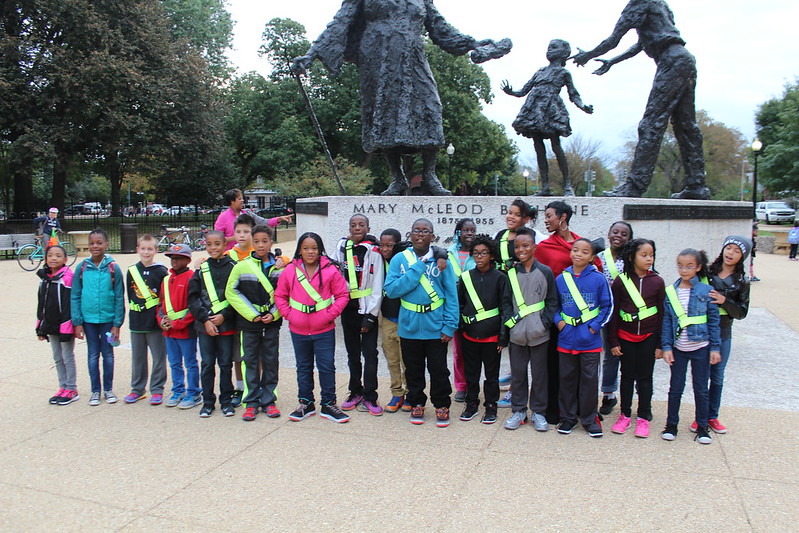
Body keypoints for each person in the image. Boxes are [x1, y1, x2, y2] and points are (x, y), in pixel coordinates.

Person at [291, 0, 510, 196]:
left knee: (430, 106)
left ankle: (430, 175)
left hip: (412, 54)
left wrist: (474, 44)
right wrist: (311, 55)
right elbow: (340, 22)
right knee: (386, 112)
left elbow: (440, 28)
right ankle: (396, 177)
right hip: (378, 56)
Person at [573, 0, 709, 200]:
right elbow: (642, 43)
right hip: (683, 59)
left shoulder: (640, 3)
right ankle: (697, 185)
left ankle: (635, 185)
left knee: (651, 124)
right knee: (685, 125)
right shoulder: (658, 5)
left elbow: (613, 39)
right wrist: (612, 61)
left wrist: (588, 55)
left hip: (672, 61)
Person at [384, 219, 458, 427]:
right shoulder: (400, 259)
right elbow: (392, 290)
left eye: (425, 231)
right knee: (413, 369)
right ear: (410, 234)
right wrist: (417, 268)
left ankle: (442, 405)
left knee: (439, 370)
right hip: (409, 326)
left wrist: (450, 325)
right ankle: (416, 402)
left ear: (432, 236)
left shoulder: (442, 260)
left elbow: (451, 294)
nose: (420, 234)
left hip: (436, 326)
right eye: (416, 230)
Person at [502, 39, 594, 196]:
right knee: (538, 148)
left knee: (556, 147)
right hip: (534, 109)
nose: (549, 50)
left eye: (554, 47)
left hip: (551, 110)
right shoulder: (540, 71)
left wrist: (583, 106)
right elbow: (524, 90)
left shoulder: (563, 73)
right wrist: (511, 92)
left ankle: (567, 185)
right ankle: (545, 186)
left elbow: (573, 94)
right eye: (548, 47)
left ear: (564, 53)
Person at [275, 232, 351, 423]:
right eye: (306, 248)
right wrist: (290, 315)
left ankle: (328, 404)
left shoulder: (330, 270)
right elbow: (280, 296)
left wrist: (329, 315)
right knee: (303, 367)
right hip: (298, 329)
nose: (310, 252)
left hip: (324, 329)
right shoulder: (290, 271)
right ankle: (306, 403)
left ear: (320, 250)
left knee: (326, 367)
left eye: (314, 248)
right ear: (300, 250)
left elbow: (342, 295)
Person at [535, 201, 597, 423]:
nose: (545, 219)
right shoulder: (543, 247)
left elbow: (594, 272)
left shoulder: (582, 245)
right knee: (555, 364)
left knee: (581, 367)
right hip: (555, 316)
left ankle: (583, 410)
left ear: (563, 218)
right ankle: (556, 410)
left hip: (582, 318)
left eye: (549, 215)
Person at [660, 249, 721, 445]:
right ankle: (671, 425)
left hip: (701, 347)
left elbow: (713, 321)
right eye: (680, 266)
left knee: (701, 388)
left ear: (698, 267)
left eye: (689, 266)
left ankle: (702, 427)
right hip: (678, 348)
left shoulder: (706, 290)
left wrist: (715, 348)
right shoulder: (672, 291)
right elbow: (667, 321)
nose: (684, 270)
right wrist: (666, 346)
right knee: (675, 388)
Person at [225, 225, 285, 421]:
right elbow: (231, 292)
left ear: (271, 243)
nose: (260, 245)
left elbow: (285, 294)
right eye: (257, 241)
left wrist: (274, 314)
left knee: (270, 361)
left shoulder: (279, 268)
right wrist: (252, 314)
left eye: (264, 241)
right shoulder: (241, 266)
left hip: (271, 324)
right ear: (252, 242)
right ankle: (251, 402)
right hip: (248, 324)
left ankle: (268, 400)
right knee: (249, 361)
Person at [555, 238, 613, 437]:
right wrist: (559, 323)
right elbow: (554, 306)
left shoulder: (598, 279)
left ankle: (589, 419)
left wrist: (594, 328)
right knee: (567, 380)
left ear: (592, 257)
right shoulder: (561, 279)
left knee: (589, 380)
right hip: (566, 339)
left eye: (584, 251)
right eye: (575, 250)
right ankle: (568, 418)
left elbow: (607, 306)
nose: (578, 254)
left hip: (589, 341)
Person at [607, 239, 665, 438]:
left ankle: (643, 415)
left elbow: (662, 314)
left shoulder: (657, 281)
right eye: (644, 255)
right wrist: (613, 341)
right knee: (627, 376)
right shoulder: (621, 281)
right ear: (632, 257)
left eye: (651, 255)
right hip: (625, 337)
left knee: (645, 377)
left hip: (649, 337)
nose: (649, 259)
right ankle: (624, 414)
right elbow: (613, 313)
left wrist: (660, 344)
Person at [503, 228, 559, 431]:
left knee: (540, 374)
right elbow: (506, 303)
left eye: (526, 245)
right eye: (517, 246)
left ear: (534, 247)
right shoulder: (511, 274)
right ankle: (518, 411)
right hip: (517, 334)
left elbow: (552, 301)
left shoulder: (545, 272)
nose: (521, 249)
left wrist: (544, 323)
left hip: (540, 334)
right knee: (518, 374)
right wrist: (511, 324)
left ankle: (538, 412)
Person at [694, 236, 750, 434]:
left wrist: (724, 300)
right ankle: (699, 416)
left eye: (737, 251)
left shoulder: (742, 281)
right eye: (729, 248)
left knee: (717, 377)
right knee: (701, 376)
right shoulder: (708, 272)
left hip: (724, 333)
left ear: (742, 256)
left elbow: (742, 312)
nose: (731, 253)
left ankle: (712, 416)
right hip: (702, 331)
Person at [331, 215, 385, 415]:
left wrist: (371, 316)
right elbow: (335, 274)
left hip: (367, 310)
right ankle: (355, 391)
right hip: (348, 308)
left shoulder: (374, 251)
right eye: (353, 225)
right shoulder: (342, 248)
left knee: (370, 354)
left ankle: (371, 395)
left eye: (361, 225)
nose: (357, 228)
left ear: (368, 228)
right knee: (352, 354)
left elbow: (377, 285)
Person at [457, 235, 513, 424]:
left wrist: (503, 337)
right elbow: (460, 304)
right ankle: (471, 403)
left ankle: (491, 405)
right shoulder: (465, 278)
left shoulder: (500, 278)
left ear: (491, 255)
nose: (479, 257)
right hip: (469, 335)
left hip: (492, 337)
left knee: (491, 375)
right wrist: (461, 328)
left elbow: (506, 308)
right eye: (476, 253)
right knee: (471, 373)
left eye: (483, 253)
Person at [71, 228, 124, 406]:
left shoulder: (113, 268)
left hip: (108, 320)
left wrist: (117, 323)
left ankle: (108, 389)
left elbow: (119, 297)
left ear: (106, 245)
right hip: (89, 320)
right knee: (93, 355)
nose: (95, 246)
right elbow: (75, 295)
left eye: (99, 243)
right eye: (92, 243)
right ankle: (95, 390)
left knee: (108, 354)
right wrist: (77, 322)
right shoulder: (82, 267)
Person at [189, 230, 237, 418]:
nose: (213, 248)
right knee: (207, 364)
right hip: (205, 327)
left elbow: (237, 295)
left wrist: (225, 315)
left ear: (225, 245)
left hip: (227, 324)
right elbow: (193, 299)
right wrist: (204, 320)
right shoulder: (201, 270)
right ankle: (208, 401)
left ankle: (226, 401)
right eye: (209, 244)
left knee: (226, 364)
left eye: (217, 244)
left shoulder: (233, 267)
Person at [124, 234, 169, 406]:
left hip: (155, 322)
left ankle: (157, 389)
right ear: (137, 249)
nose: (146, 252)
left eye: (150, 249)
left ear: (156, 251)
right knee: (138, 357)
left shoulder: (161, 271)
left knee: (158, 357)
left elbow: (165, 297)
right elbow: (130, 295)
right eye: (143, 248)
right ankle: (137, 389)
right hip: (137, 320)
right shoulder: (132, 271)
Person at [158, 244, 200, 410]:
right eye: (172, 258)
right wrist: (161, 320)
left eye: (178, 258)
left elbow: (194, 306)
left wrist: (179, 323)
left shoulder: (191, 278)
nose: (174, 261)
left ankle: (194, 392)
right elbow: (161, 303)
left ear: (187, 260)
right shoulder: (167, 279)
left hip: (185, 329)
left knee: (190, 362)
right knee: (174, 362)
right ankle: (178, 390)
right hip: (169, 330)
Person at [598, 221, 633, 415]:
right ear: (609, 234)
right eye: (615, 232)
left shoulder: (631, 259)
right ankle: (608, 394)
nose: (618, 236)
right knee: (610, 354)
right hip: (606, 312)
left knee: (628, 356)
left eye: (624, 233)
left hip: (627, 313)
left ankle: (630, 396)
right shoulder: (599, 257)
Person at [36, 245, 78, 405]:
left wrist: (69, 325)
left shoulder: (67, 278)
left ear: (65, 259)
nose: (54, 258)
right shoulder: (44, 279)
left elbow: (70, 303)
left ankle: (72, 388)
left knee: (67, 356)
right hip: (50, 324)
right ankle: (63, 386)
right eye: (51, 255)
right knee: (57, 357)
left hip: (64, 324)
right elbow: (42, 303)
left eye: (58, 255)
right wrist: (40, 326)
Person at [378, 229, 409, 412]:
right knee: (391, 358)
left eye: (389, 245)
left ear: (397, 244)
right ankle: (397, 392)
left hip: (405, 316)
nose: (385, 249)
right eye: (382, 245)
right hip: (387, 317)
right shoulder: (377, 259)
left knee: (407, 359)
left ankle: (410, 392)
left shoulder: (404, 260)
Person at [447, 218, 477, 403]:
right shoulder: (448, 253)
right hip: (454, 308)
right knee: (459, 352)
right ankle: (461, 386)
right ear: (458, 232)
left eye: (472, 230)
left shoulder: (480, 253)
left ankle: (473, 384)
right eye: (465, 230)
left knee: (473, 351)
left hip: (474, 308)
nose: (469, 233)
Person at [214, 188, 293, 251]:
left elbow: (264, 222)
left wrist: (279, 219)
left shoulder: (248, 214)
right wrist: (234, 238)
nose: (242, 201)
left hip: (249, 252)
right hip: (231, 254)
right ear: (232, 201)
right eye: (239, 199)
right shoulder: (223, 217)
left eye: (242, 198)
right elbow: (217, 238)